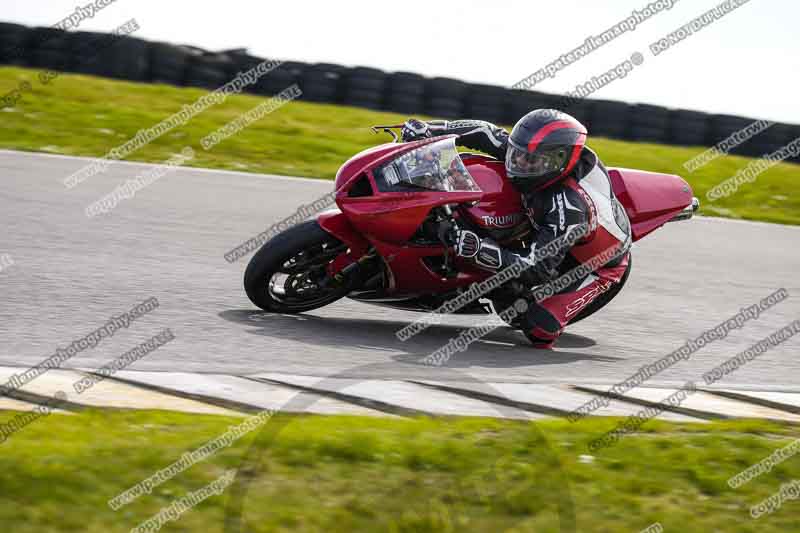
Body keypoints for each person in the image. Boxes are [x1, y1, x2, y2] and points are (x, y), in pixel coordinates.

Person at [401, 110, 633, 348]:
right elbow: (484, 131)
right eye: (516, 153)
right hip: (550, 230)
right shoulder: (533, 155)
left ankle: (513, 292)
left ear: (558, 161)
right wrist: (430, 130)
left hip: (595, 264)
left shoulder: (568, 208)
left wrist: (480, 250)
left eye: (529, 160)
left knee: (538, 327)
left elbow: (538, 269)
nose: (518, 163)